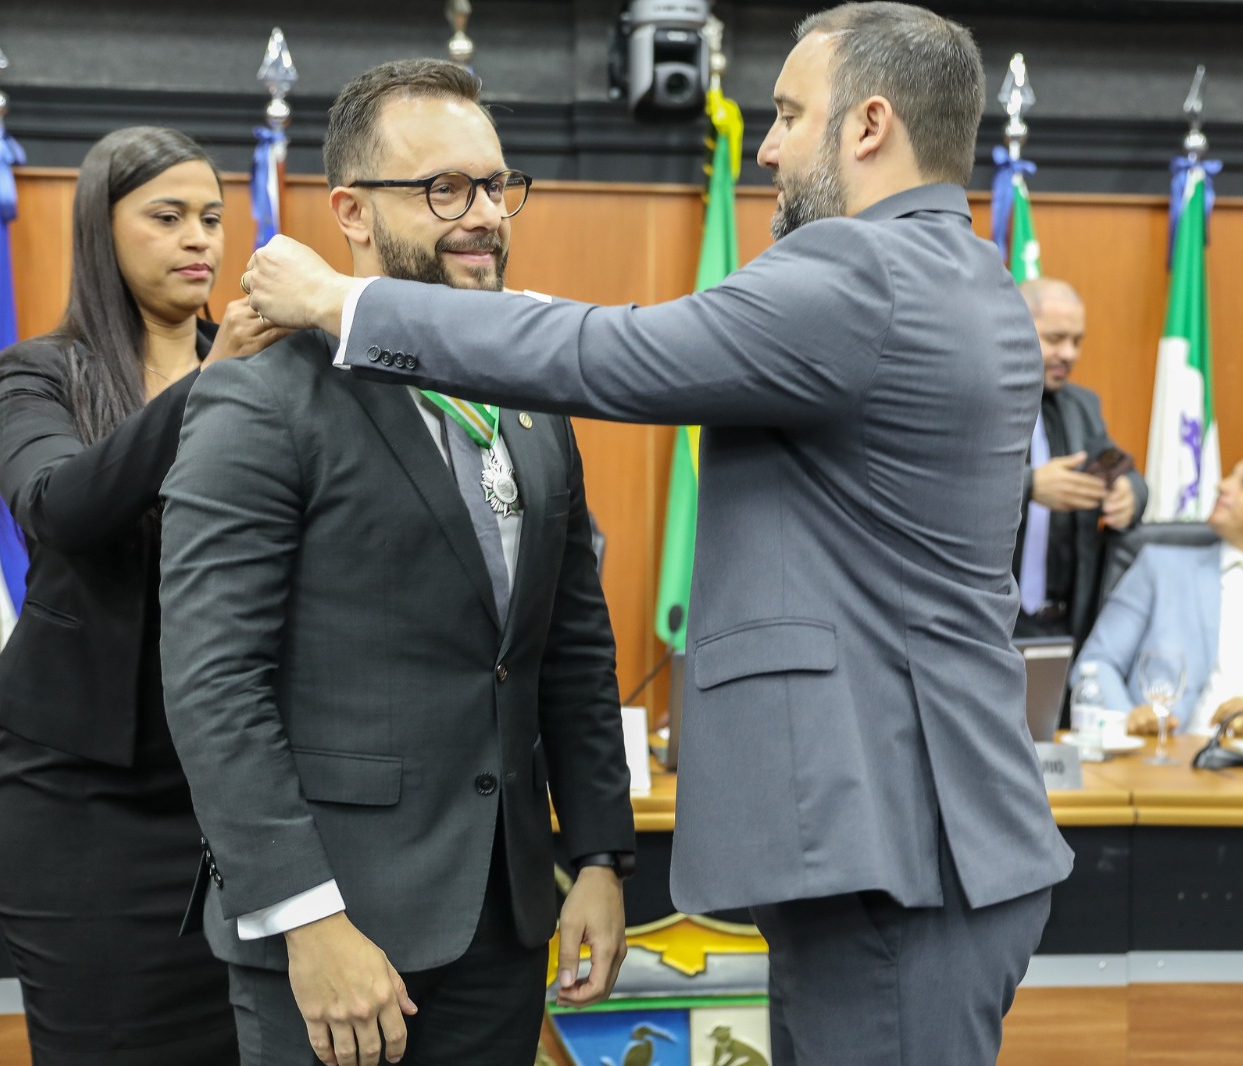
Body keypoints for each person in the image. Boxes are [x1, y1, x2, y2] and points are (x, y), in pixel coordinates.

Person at [240, 5, 1074, 1064]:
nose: (765, 146)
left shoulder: (857, 272)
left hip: (892, 838)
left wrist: (342, 301)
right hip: (918, 826)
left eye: (785, 114)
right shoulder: (967, 274)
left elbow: (614, 354)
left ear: (867, 126)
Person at [158, 59, 634, 1066]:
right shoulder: (262, 395)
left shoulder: (528, 381)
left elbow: (571, 645)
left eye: (496, 185)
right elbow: (212, 683)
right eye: (443, 189)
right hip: (336, 932)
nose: (483, 216)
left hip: (503, 920)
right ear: (351, 213)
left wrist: (596, 854)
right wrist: (307, 918)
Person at [0, 125, 286, 1064]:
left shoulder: (273, 377)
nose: (200, 239)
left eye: (211, 218)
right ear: (101, 232)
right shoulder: (38, 374)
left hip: (234, 792)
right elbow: (64, 508)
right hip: (81, 803)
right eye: (167, 217)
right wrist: (211, 382)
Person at [1074, 448, 1243, 741]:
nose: (1222, 485)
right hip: (1159, 759)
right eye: (1231, 475)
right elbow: (1096, 663)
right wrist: (1127, 719)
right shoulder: (1159, 567)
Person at [1013, 277, 1147, 643]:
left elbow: (1124, 469)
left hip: (1065, 625)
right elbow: (948, 484)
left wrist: (1130, 494)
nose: (1069, 354)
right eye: (1055, 339)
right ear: (1014, 327)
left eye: (1077, 341)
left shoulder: (1083, 406)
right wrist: (1031, 486)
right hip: (989, 622)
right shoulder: (978, 397)